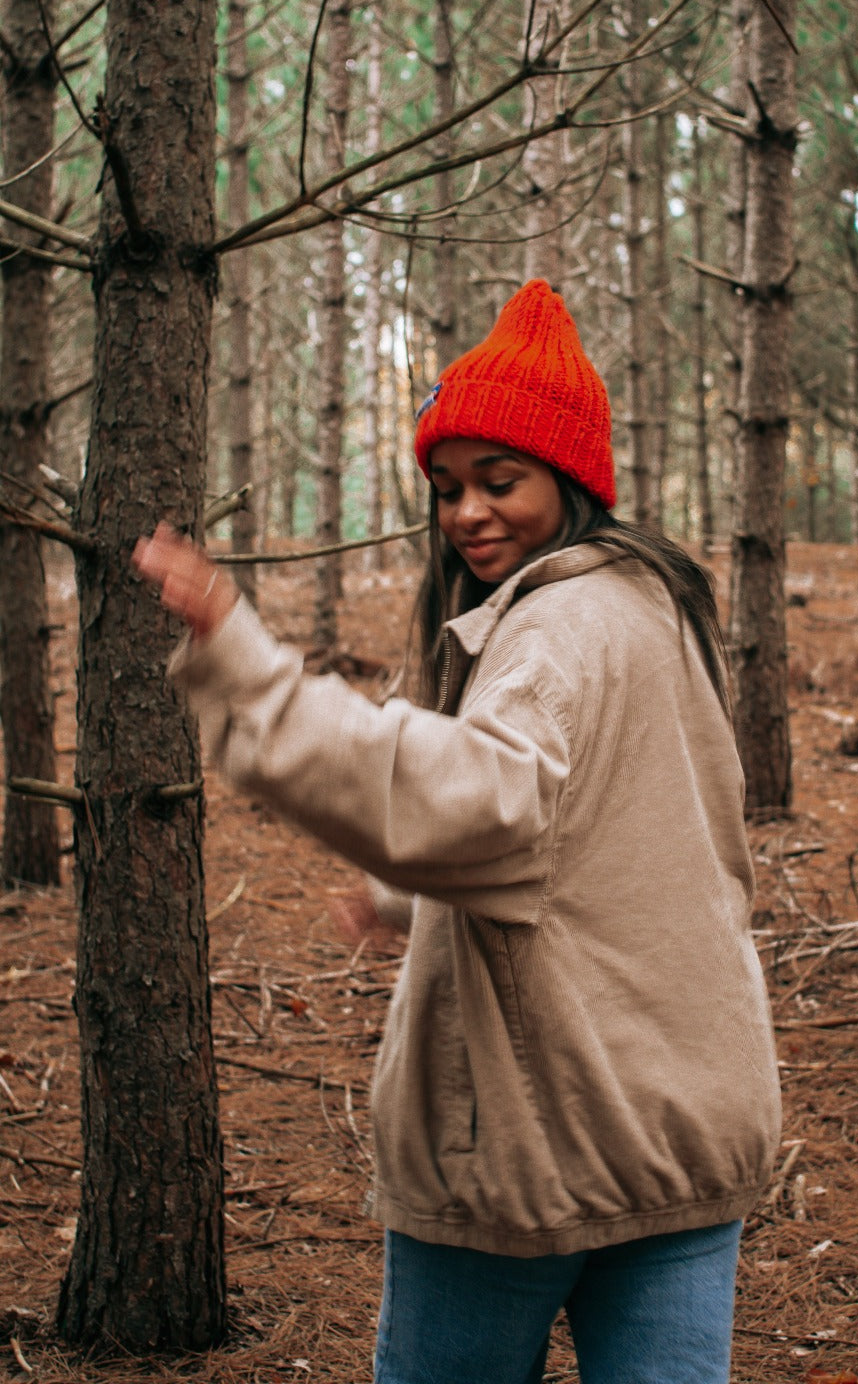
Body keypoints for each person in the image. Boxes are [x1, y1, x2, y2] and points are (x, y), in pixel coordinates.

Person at [133, 278, 781, 1384]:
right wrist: (413, 893)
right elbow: (595, 822)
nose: (467, 512)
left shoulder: (556, 629)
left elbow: (475, 797)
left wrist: (248, 668)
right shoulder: (651, 602)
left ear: (570, 476)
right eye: (446, 488)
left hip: (533, 1147)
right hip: (686, 1122)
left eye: (499, 480)